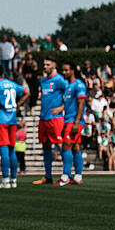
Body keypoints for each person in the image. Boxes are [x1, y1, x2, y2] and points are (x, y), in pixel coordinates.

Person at [0, 64, 28, 189]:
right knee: (12, 150)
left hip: (1, 119)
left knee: (4, 150)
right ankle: (14, 180)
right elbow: (27, 93)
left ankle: (5, 180)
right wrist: (18, 105)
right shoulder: (11, 83)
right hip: (12, 120)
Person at [33, 56, 67, 184]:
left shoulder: (59, 80)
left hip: (55, 118)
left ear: (54, 65)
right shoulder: (43, 81)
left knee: (60, 145)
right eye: (44, 64)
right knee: (45, 145)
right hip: (44, 118)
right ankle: (48, 176)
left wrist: (61, 107)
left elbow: (70, 95)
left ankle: (66, 174)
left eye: (48, 64)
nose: (45, 67)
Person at [56, 63, 88, 186]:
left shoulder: (78, 84)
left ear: (72, 70)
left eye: (66, 70)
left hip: (73, 120)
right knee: (75, 147)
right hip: (68, 119)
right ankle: (78, 176)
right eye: (62, 70)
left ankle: (65, 176)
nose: (64, 73)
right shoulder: (69, 86)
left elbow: (81, 103)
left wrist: (76, 122)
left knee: (66, 146)